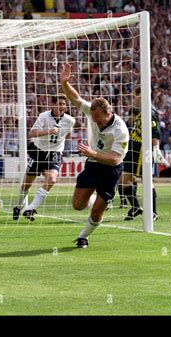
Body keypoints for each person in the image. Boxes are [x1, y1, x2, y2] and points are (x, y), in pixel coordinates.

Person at [60, 63, 129, 248]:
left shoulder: (121, 130)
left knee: (98, 210)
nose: (95, 120)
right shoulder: (92, 112)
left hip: (111, 170)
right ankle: (92, 198)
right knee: (77, 205)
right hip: (93, 165)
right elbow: (76, 99)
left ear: (108, 113)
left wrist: (93, 153)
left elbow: (115, 159)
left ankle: (83, 236)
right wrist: (64, 83)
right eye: (93, 116)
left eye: (98, 117)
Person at [12, 95, 75, 221]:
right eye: (59, 104)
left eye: (64, 104)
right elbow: (32, 133)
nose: (62, 106)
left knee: (51, 180)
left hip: (55, 154)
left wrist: (60, 145)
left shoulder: (70, 120)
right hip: (39, 152)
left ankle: (30, 209)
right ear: (53, 105)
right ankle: (18, 207)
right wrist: (49, 132)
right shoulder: (43, 116)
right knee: (26, 184)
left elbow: (68, 134)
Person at [120, 86, 169, 221]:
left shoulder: (150, 110)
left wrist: (156, 148)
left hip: (142, 151)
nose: (133, 99)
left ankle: (153, 212)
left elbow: (155, 131)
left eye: (135, 95)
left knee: (146, 181)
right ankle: (136, 207)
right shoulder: (141, 111)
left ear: (142, 96)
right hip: (132, 149)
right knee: (124, 180)